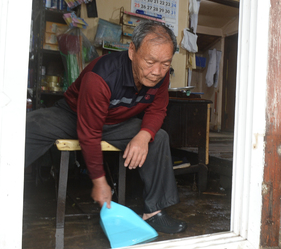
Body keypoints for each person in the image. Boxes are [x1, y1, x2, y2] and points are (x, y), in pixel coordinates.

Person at [26, 21, 187, 235]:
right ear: (132, 51)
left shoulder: (160, 73)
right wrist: (99, 181)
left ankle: (154, 212)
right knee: (27, 127)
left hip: (115, 122)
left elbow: (158, 109)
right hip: (72, 115)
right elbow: (90, 132)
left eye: (165, 64)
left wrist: (144, 134)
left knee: (159, 137)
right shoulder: (101, 76)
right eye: (150, 62)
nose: (157, 71)